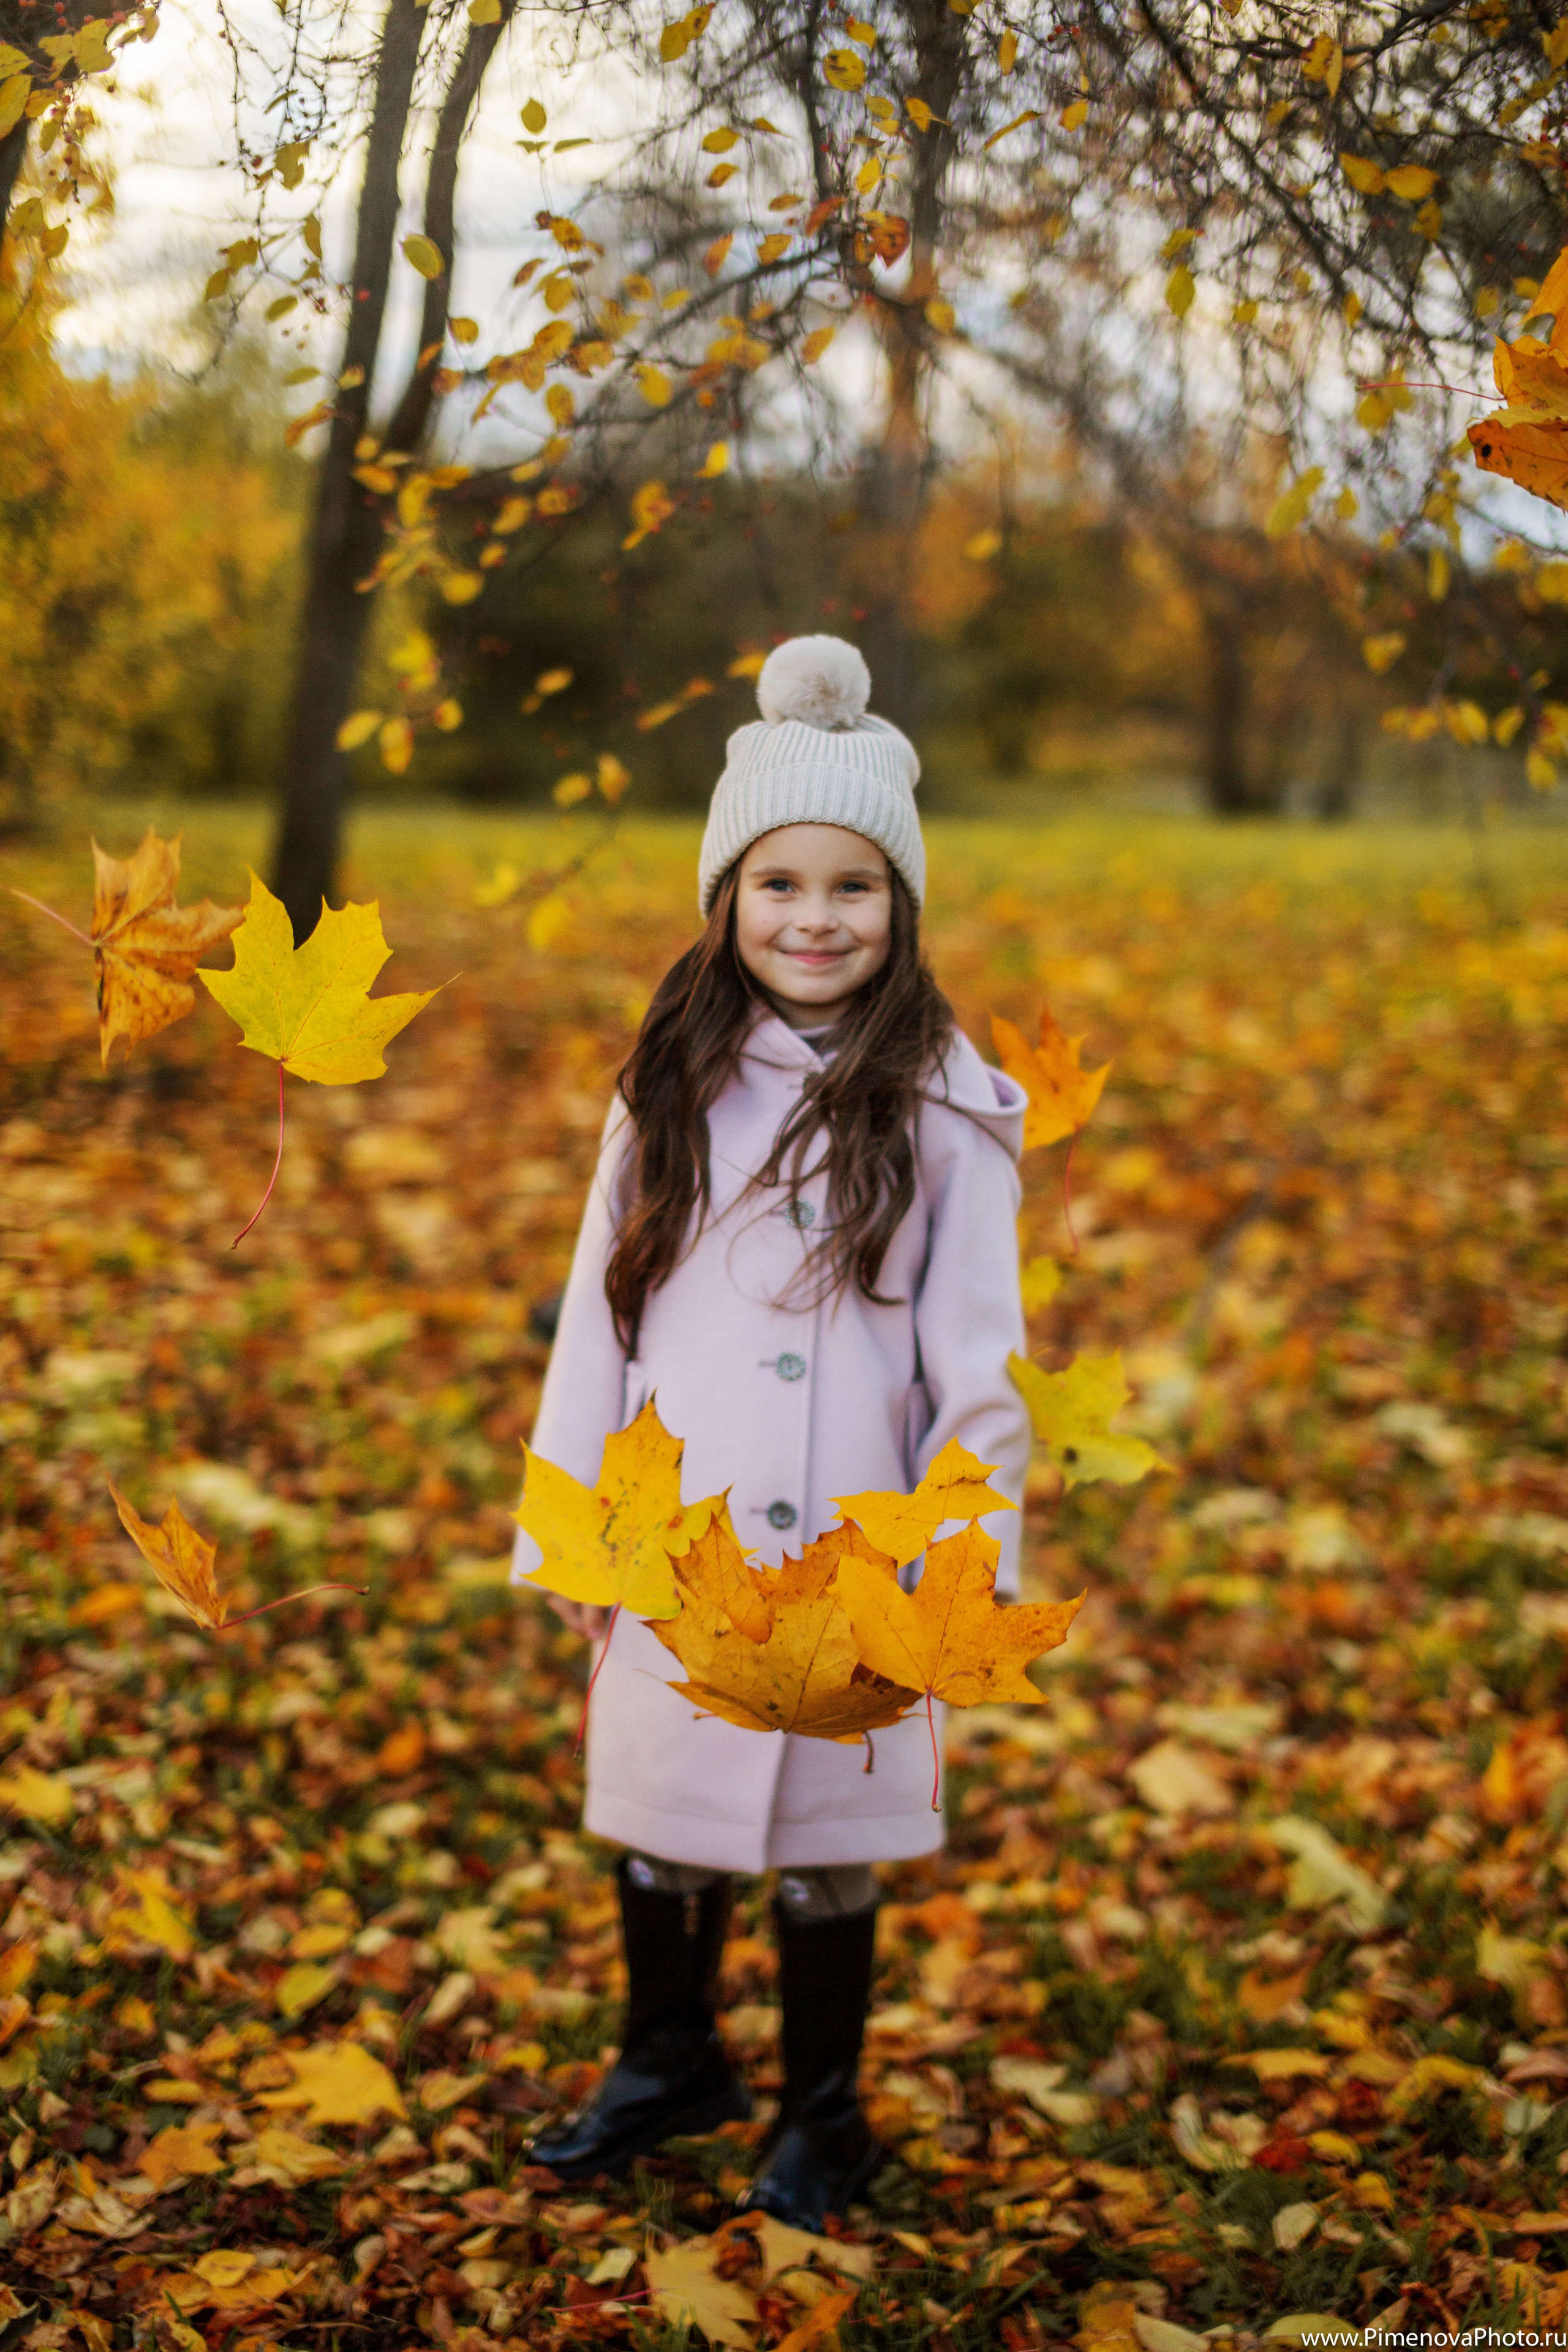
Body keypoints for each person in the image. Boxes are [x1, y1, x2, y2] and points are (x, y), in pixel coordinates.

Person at [510, 635, 1031, 2230]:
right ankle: (668, 2058)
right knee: (665, 1830)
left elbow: (981, 1373)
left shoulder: (949, 1109)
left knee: (826, 1849)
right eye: (780, 883)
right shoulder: (665, 1084)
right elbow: (602, 1320)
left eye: (854, 886)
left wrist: (961, 1570)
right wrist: (577, 1540)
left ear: (904, 907)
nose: (815, 918)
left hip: (858, 1560)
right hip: (681, 1546)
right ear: (727, 898)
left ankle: (824, 2112)